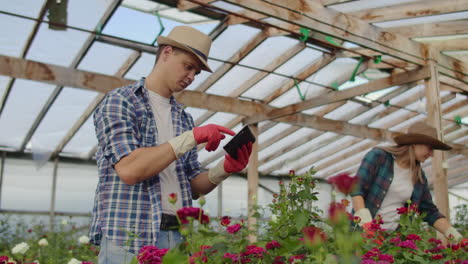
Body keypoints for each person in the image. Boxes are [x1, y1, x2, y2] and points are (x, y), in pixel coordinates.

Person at [89, 26, 253, 263]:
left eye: (196, 72)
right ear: (166, 52)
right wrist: (192, 138)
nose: (191, 77)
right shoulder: (121, 101)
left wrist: (224, 169)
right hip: (129, 237)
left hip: (176, 235)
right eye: (188, 66)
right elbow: (130, 170)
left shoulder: (183, 117)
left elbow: (192, 187)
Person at [351, 121, 462, 241]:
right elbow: (357, 188)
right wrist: (367, 226)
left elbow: (430, 212)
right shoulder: (379, 157)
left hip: (392, 241)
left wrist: (457, 237)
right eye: (430, 148)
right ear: (415, 143)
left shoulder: (419, 177)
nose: (432, 154)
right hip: (362, 236)